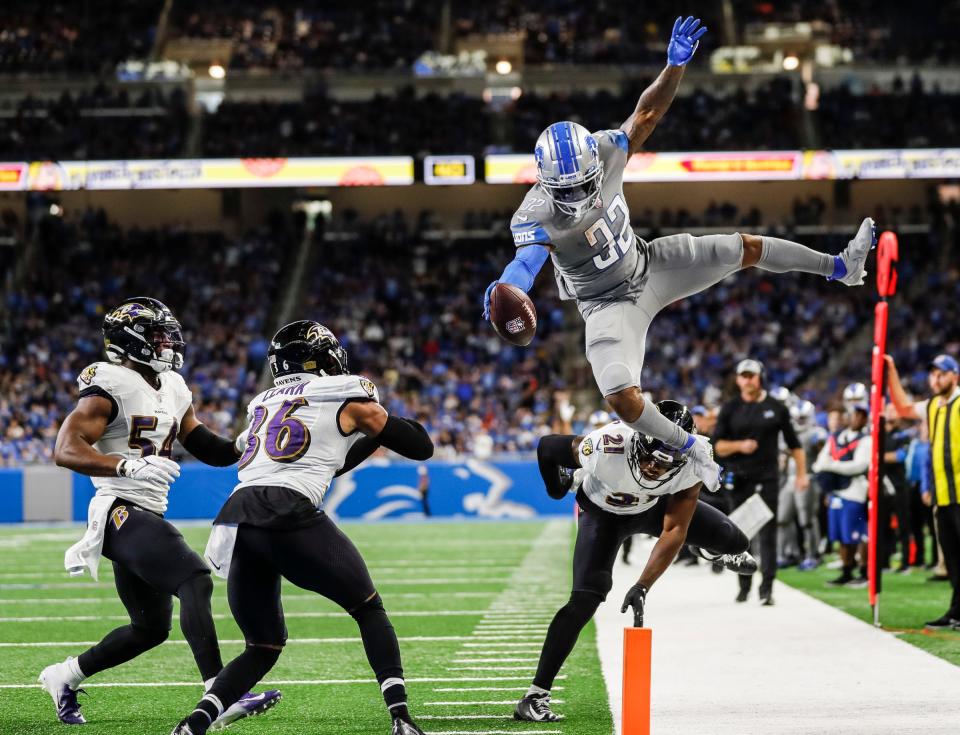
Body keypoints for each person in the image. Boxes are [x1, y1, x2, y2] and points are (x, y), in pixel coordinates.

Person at [483, 14, 876, 498]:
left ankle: (841, 266)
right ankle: (690, 445)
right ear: (544, 181)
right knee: (621, 398)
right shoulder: (535, 212)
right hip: (607, 304)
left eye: (587, 183)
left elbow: (646, 115)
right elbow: (526, 263)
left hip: (649, 264)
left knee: (745, 247)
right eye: (570, 189)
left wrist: (673, 68)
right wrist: (509, 288)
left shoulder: (604, 150)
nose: (582, 194)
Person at [171, 321, 434, 735]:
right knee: (368, 608)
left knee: (263, 645)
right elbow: (421, 446)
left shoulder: (264, 403)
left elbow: (335, 461)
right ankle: (401, 717)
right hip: (287, 508)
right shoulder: (346, 394)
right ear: (319, 358)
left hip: (237, 516)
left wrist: (371, 434)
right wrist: (382, 423)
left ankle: (194, 724)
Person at [39, 297, 280, 726]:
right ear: (130, 340)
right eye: (157, 335)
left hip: (148, 510)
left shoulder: (172, 385)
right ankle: (220, 693)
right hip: (118, 509)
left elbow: (201, 441)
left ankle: (64, 675)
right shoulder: (108, 383)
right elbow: (65, 449)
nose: (167, 342)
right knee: (195, 579)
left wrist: (243, 444)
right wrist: (124, 463)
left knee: (150, 629)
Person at [514, 402, 756, 722]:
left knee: (736, 540)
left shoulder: (696, 458)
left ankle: (708, 550)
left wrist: (643, 585)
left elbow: (674, 529)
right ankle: (534, 696)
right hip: (603, 515)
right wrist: (556, 489)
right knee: (586, 597)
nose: (656, 468)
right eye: (653, 458)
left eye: (668, 462)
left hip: (652, 510)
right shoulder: (607, 444)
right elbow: (547, 447)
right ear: (638, 439)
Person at [714, 359, 808, 606]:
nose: (747, 380)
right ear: (737, 379)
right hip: (740, 478)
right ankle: (743, 586)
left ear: (760, 378)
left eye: (751, 376)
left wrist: (802, 474)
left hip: (767, 478)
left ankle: (767, 588)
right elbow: (718, 446)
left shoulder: (776, 407)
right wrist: (740, 446)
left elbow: (794, 444)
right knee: (740, 533)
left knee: (768, 533)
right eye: (743, 376)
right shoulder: (730, 408)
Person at [885, 353, 960, 629]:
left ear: (955, 376)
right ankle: (957, 610)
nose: (935, 378)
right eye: (932, 374)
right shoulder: (932, 406)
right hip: (943, 495)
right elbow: (903, 407)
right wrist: (891, 370)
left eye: (942, 373)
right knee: (952, 558)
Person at [812, 385, 871, 586]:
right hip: (837, 491)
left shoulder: (867, 438)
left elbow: (861, 465)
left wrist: (833, 466)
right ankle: (846, 571)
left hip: (856, 491)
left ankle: (864, 572)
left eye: (860, 414)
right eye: (854, 413)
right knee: (840, 536)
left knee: (857, 535)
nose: (856, 417)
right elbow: (819, 463)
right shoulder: (837, 437)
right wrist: (832, 467)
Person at [777, 399, 827, 570]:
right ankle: (790, 553)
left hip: (807, 477)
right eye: (797, 417)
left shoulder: (816, 433)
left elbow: (824, 454)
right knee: (782, 518)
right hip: (790, 479)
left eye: (803, 417)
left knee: (807, 520)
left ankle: (813, 554)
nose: (799, 421)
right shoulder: (787, 433)